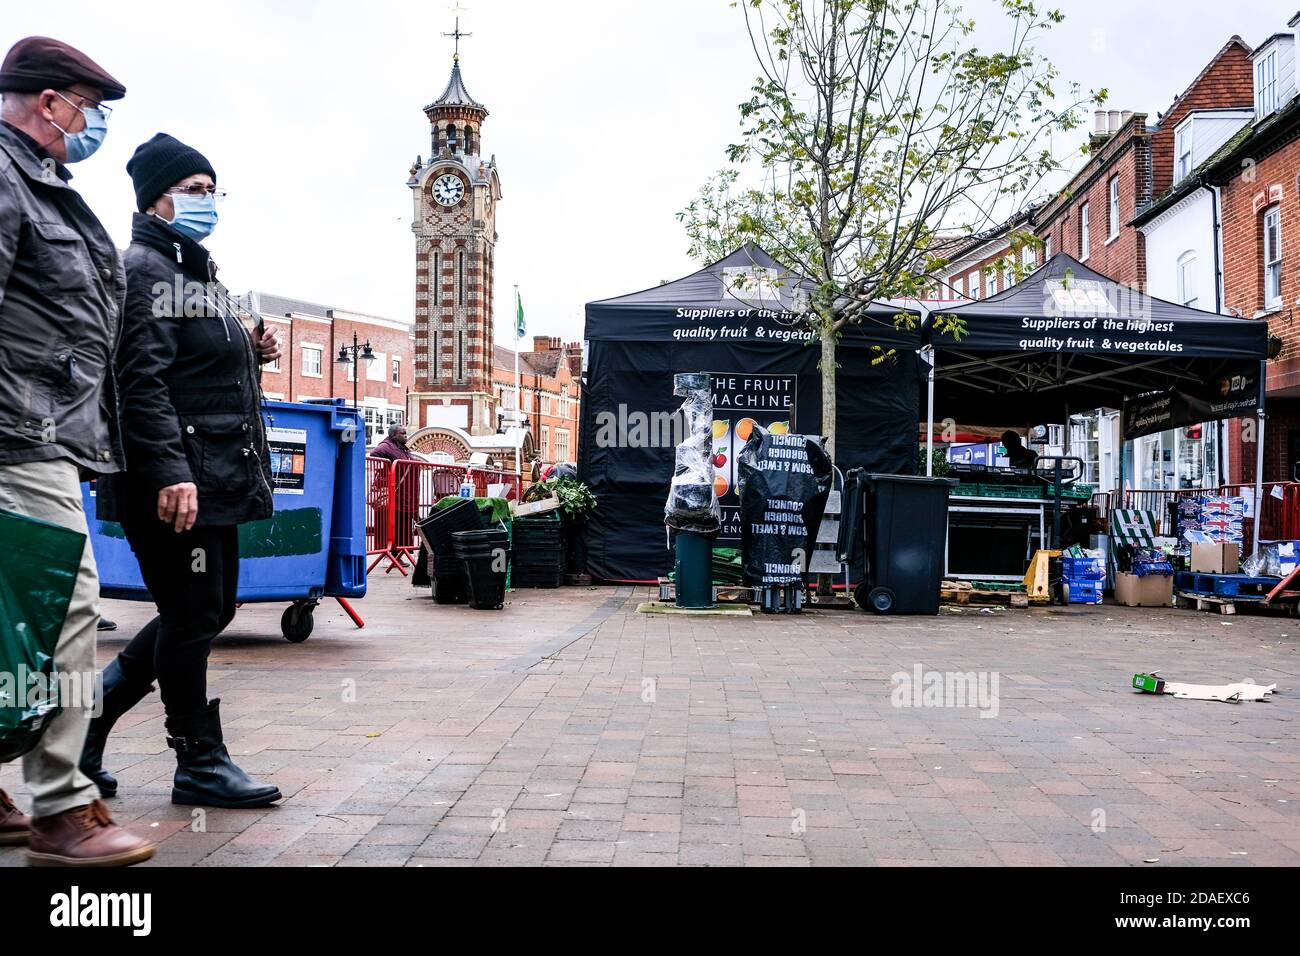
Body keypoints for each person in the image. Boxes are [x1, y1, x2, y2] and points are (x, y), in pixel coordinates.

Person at [82, 133, 282, 810]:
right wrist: (169, 471)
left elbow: (194, 365)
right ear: (158, 198)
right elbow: (139, 382)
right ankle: (197, 761)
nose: (210, 201)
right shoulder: (143, 269)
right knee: (192, 611)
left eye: (212, 188)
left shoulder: (196, 273)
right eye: (196, 190)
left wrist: (249, 351)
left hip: (213, 472)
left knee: (208, 607)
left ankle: (89, 721)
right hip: (175, 482)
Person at [0, 36, 155, 866]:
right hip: (19, 436)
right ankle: (59, 802)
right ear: (49, 101)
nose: (91, 124)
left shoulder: (48, 187)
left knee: (16, 618)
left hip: (53, 435)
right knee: (65, 609)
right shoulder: (5, 177)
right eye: (86, 108)